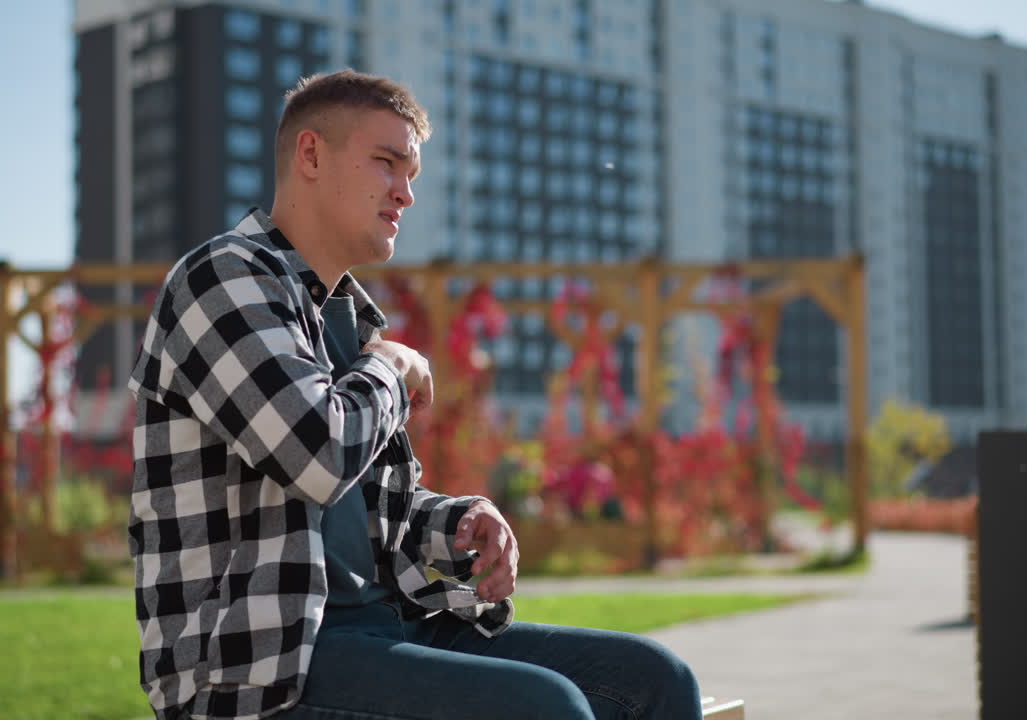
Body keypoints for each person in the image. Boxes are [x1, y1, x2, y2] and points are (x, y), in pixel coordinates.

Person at [127, 69, 703, 720]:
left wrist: (457, 522)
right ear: (311, 154)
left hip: (385, 629)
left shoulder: (349, 320)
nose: (405, 193)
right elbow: (317, 453)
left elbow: (365, 513)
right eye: (386, 163)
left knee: (657, 680)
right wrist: (392, 373)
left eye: (413, 175)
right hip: (261, 670)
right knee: (545, 710)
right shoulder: (221, 280)